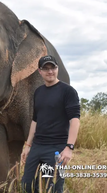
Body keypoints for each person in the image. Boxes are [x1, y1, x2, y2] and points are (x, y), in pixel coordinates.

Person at [21, 55, 80, 193]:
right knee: (26, 186)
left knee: (51, 188)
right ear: (40, 71)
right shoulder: (38, 92)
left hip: (56, 149)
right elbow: (35, 120)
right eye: (45, 68)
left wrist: (69, 148)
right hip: (37, 147)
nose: (50, 71)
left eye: (52, 67)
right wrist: (28, 145)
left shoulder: (68, 91)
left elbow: (75, 121)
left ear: (57, 68)